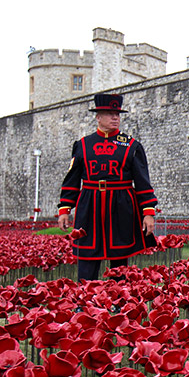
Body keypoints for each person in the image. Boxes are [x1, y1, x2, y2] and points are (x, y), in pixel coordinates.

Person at [57, 93, 158, 280]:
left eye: (117, 114)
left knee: (119, 260)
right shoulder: (83, 145)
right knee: (87, 257)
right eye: (110, 113)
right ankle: (84, 303)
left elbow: (143, 182)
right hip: (90, 206)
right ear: (98, 116)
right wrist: (65, 209)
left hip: (121, 206)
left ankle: (118, 301)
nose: (115, 118)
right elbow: (72, 180)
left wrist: (148, 212)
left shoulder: (131, 146)